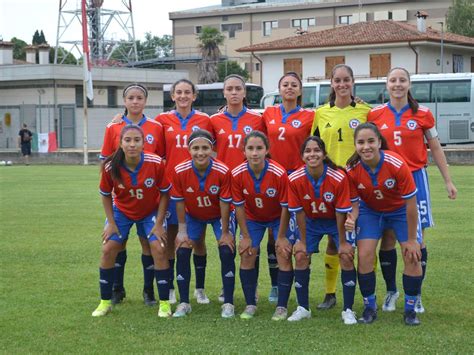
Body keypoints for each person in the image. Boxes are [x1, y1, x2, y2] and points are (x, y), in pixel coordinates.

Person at [368, 67, 457, 314]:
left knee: (416, 238)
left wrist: (448, 180)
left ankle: (415, 295)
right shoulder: (374, 114)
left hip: (416, 179)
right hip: (386, 181)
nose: (397, 84)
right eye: (393, 80)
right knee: (387, 237)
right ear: (386, 85)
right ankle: (391, 291)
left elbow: (436, 148)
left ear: (409, 84)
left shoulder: (423, 114)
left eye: (402, 80)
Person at [345, 123, 423, 326]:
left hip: (400, 212)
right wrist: (352, 218)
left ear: (379, 142)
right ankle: (369, 307)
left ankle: (410, 309)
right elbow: (354, 205)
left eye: (371, 141)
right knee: (364, 255)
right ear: (355, 145)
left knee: (412, 254)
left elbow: (411, 204)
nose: (366, 147)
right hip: (371, 212)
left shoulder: (396, 163)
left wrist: (413, 239)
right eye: (361, 142)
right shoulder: (352, 169)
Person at [93, 124, 171, 318]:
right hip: (122, 212)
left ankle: (164, 304)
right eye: (127, 140)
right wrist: (111, 223)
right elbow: (104, 195)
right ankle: (105, 302)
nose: (132, 144)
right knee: (108, 249)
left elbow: (164, 193)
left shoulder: (155, 163)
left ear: (144, 144)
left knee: (159, 249)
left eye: (137, 140)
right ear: (120, 143)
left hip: (149, 212)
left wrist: (159, 223)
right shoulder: (111, 166)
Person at [310, 64, 371, 310]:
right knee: (335, 240)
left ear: (353, 82)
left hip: (360, 183)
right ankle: (330, 292)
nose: (342, 84)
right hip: (332, 183)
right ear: (331, 83)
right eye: (337, 80)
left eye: (346, 80)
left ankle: (367, 294)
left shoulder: (367, 111)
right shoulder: (321, 113)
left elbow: (375, 145)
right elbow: (314, 146)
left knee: (365, 238)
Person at [274, 136, 354, 323]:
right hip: (310, 222)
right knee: (301, 254)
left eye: (317, 150)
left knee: (345, 255)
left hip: (335, 221)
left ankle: (348, 310)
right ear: (302, 156)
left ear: (324, 154)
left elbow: (341, 212)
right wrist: (302, 241)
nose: (312, 154)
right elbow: (299, 212)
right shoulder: (294, 179)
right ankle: (303, 307)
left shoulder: (338, 177)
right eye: (308, 151)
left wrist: (342, 242)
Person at [100, 83, 165, 306]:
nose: (135, 101)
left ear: (145, 101)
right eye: (131, 98)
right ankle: (117, 289)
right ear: (125, 101)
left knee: (149, 244)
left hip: (149, 199)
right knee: (118, 242)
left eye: (139, 98)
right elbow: (106, 162)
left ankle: (149, 291)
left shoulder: (156, 127)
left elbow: (160, 159)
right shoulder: (113, 127)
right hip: (123, 198)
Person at [209, 74, 269, 302]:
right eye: (229, 89)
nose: (234, 92)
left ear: (245, 93)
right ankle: (227, 287)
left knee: (251, 241)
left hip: (250, 187)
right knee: (226, 240)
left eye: (238, 89)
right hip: (224, 187)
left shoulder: (257, 119)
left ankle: (251, 287)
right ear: (224, 93)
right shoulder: (213, 120)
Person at [156, 79, 213, 305]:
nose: (183, 96)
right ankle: (170, 287)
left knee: (197, 239)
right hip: (172, 189)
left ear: (194, 95)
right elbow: (158, 152)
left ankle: (199, 289)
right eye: (178, 92)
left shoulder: (204, 120)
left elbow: (214, 149)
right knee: (172, 239)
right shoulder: (162, 120)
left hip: (198, 188)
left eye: (187, 92)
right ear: (172, 96)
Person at [170, 129, 235, 318]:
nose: (200, 152)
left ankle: (228, 302)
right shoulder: (180, 170)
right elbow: (179, 201)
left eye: (205, 148)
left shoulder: (222, 170)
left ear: (212, 149)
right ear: (189, 150)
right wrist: (181, 230)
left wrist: (224, 232)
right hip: (193, 215)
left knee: (226, 248)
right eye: (196, 148)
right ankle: (184, 303)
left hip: (219, 216)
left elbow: (225, 202)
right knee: (182, 249)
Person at [262, 72, 314, 302]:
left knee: (300, 233)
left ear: (300, 91)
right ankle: (276, 285)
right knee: (275, 234)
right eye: (285, 85)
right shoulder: (268, 113)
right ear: (279, 89)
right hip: (273, 177)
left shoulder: (310, 116)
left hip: (297, 178)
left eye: (294, 85)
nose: (290, 88)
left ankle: (301, 287)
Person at [231, 131, 289, 319]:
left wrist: (280, 237)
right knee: (247, 255)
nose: (255, 153)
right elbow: (238, 207)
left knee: (282, 254)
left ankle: (282, 307)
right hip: (252, 218)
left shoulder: (278, 173)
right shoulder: (237, 173)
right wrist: (246, 236)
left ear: (267, 150)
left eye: (259, 148)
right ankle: (250, 304)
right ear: (244, 151)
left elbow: (286, 207)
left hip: (277, 217)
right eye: (250, 148)